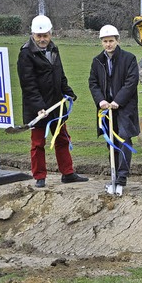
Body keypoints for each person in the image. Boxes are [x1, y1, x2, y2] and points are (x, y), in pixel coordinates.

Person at [17, 15, 89, 188]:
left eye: (45, 35)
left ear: (51, 34)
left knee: (62, 139)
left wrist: (68, 92)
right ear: (33, 34)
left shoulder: (54, 49)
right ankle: (39, 176)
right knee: (38, 143)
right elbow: (28, 85)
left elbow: (60, 75)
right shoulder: (26, 54)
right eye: (39, 36)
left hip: (56, 106)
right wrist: (39, 107)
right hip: (37, 108)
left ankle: (68, 173)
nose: (42, 39)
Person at [89, 24, 140, 187]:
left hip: (124, 107)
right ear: (101, 42)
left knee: (124, 138)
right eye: (105, 41)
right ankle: (115, 171)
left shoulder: (128, 58)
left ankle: (122, 175)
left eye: (111, 41)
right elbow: (93, 83)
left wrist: (118, 101)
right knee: (110, 140)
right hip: (105, 108)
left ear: (117, 41)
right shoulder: (97, 61)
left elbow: (131, 82)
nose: (108, 44)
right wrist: (101, 101)